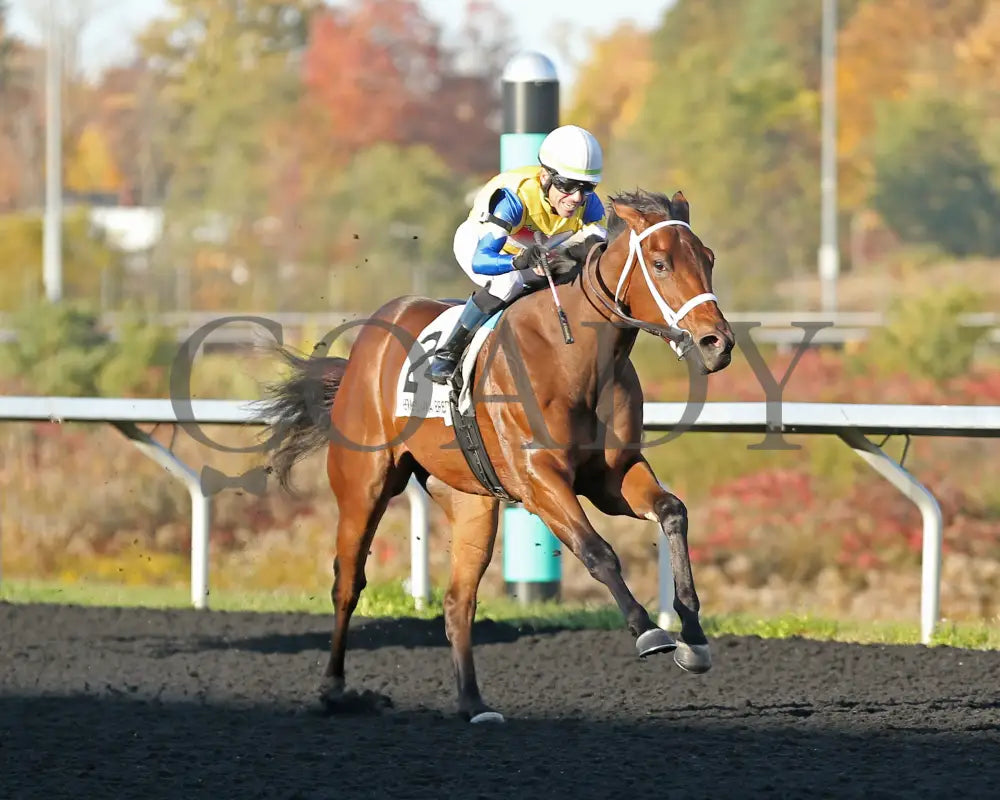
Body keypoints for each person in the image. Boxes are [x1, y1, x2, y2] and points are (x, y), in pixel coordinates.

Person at [427, 124, 608, 385]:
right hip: (482, 246)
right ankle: (447, 353)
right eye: (568, 185)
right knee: (508, 282)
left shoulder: (589, 203)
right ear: (546, 176)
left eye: (586, 187)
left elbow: (600, 248)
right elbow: (482, 260)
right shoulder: (514, 199)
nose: (576, 198)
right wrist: (518, 261)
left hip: (533, 247)